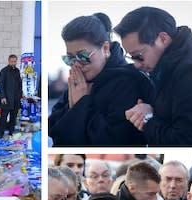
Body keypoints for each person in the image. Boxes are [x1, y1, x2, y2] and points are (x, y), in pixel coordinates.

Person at [116, 7, 192, 146]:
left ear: (163, 38)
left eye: (138, 56)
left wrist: (147, 120)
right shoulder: (168, 67)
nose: (137, 64)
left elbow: (185, 143)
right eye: (131, 57)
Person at [49, 13, 154, 146]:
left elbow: (113, 140)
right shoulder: (79, 81)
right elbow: (52, 127)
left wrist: (80, 105)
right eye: (70, 58)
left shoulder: (130, 81)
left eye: (83, 56)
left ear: (105, 48)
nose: (76, 64)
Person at [0, 54, 23, 139]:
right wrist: (3, 97)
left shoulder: (17, 71)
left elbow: (19, 84)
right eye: (12, 61)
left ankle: (11, 133)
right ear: (8, 61)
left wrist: (21, 95)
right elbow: (1, 84)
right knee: (3, 117)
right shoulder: (4, 71)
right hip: (6, 98)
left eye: (15, 61)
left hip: (16, 98)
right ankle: (0, 134)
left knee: (13, 117)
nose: (13, 63)